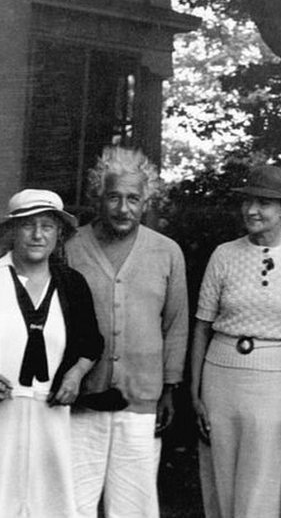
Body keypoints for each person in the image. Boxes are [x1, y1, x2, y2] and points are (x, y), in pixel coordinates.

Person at [0, 189, 104, 518]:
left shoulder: (72, 284)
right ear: (12, 231)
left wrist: (76, 373)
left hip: (50, 417)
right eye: (28, 225)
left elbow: (91, 343)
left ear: (60, 234)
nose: (38, 234)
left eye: (48, 226)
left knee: (49, 509)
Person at [189, 165, 281, 518]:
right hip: (220, 374)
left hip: (278, 377)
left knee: (266, 473)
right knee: (220, 468)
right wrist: (195, 392)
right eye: (248, 201)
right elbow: (202, 326)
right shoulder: (223, 254)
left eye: (264, 203)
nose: (252, 210)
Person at [65, 146, 189, 518]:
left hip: (142, 398)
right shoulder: (70, 248)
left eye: (133, 199)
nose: (123, 209)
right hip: (82, 401)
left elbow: (176, 323)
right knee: (73, 503)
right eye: (114, 197)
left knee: (133, 507)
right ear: (98, 198)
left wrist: (169, 388)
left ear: (146, 201)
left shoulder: (167, 252)